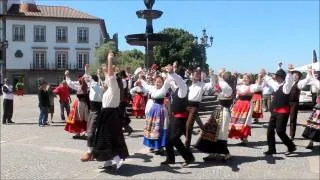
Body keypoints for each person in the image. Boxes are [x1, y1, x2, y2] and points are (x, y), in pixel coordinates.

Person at [92, 52, 129, 170]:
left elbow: (111, 76)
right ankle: (109, 162)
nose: (107, 78)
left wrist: (109, 60)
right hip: (107, 114)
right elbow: (108, 77)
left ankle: (116, 160)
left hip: (110, 115)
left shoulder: (115, 87)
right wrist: (103, 71)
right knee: (107, 139)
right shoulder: (110, 89)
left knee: (108, 138)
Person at [263, 64, 311, 155]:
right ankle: (272, 149)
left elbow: (288, 82)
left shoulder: (286, 87)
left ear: (280, 77)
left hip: (283, 112)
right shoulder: (276, 85)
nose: (274, 77)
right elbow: (269, 81)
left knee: (280, 131)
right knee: (270, 131)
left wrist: (289, 73)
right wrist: (264, 75)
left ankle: (291, 146)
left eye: (276, 76)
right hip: (274, 111)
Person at [161, 64, 195, 166]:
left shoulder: (183, 89)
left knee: (174, 138)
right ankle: (170, 159)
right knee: (167, 138)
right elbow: (172, 82)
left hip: (180, 118)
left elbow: (179, 81)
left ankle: (189, 158)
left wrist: (172, 72)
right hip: (173, 117)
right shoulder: (176, 89)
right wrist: (167, 73)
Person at [195, 71, 234, 161]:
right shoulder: (223, 85)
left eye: (223, 75)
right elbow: (214, 85)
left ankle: (226, 153)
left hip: (224, 112)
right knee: (212, 132)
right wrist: (213, 75)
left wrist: (215, 76)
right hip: (219, 110)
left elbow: (218, 85)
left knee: (220, 133)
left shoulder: (227, 87)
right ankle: (213, 152)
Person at [139, 70, 170, 155]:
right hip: (153, 109)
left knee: (159, 128)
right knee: (152, 128)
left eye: (159, 82)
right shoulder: (152, 88)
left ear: (162, 83)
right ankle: (153, 145)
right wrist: (141, 78)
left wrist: (169, 73)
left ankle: (160, 147)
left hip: (161, 110)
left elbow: (167, 82)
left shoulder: (164, 89)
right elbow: (145, 85)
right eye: (156, 81)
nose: (157, 83)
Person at [229, 73, 262, 144]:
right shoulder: (239, 86)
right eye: (244, 77)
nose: (245, 79)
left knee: (245, 122)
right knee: (236, 121)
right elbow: (237, 96)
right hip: (238, 105)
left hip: (247, 105)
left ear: (250, 79)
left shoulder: (252, 86)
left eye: (246, 78)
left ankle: (244, 138)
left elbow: (258, 86)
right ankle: (241, 137)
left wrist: (259, 77)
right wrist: (233, 103)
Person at [185, 68, 213, 149]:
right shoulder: (187, 83)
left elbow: (212, 84)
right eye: (194, 74)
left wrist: (211, 75)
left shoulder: (202, 84)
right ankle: (208, 135)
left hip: (194, 106)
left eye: (197, 75)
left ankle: (187, 144)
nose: (195, 76)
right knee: (199, 124)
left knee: (188, 125)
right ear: (191, 75)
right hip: (186, 105)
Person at [80, 71, 104, 161]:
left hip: (97, 112)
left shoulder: (97, 87)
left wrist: (87, 73)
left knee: (91, 133)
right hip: (92, 112)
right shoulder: (95, 87)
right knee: (91, 132)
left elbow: (92, 83)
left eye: (90, 80)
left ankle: (90, 152)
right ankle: (93, 152)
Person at [65, 73, 90, 139]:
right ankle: (82, 132)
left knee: (80, 118)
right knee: (83, 118)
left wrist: (67, 76)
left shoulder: (82, 86)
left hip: (83, 103)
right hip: (86, 103)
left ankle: (81, 133)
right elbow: (70, 83)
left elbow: (70, 83)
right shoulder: (86, 85)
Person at [302, 70, 320, 149]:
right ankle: (311, 142)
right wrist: (311, 73)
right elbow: (313, 81)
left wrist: (312, 73)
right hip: (318, 109)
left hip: (318, 108)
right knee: (313, 126)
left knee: (314, 126)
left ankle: (311, 143)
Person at [288, 70, 305, 140]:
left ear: (298, 77)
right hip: (286, 102)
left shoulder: (299, 83)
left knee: (292, 119)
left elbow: (304, 83)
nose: (294, 76)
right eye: (293, 75)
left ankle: (292, 135)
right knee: (283, 118)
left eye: (296, 75)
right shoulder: (289, 83)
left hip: (294, 103)